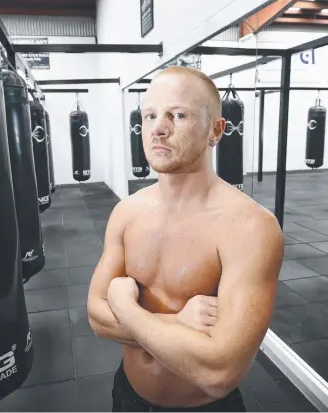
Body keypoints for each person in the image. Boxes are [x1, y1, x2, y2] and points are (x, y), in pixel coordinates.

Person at [87, 66, 284, 412]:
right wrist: (178, 322)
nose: (159, 128)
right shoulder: (127, 213)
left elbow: (219, 370)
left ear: (216, 130)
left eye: (178, 114)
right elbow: (95, 316)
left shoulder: (251, 227)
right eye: (150, 115)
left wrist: (123, 305)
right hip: (126, 395)